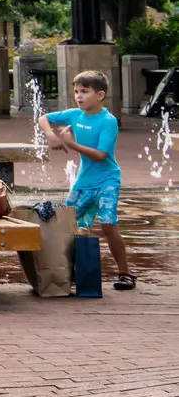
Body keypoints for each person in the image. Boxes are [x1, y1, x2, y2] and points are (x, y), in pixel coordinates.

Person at [45, 70, 135, 291]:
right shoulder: (75, 115)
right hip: (83, 182)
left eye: (85, 91)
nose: (79, 96)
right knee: (69, 225)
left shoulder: (108, 121)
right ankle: (71, 271)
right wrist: (50, 135)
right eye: (76, 91)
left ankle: (125, 273)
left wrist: (70, 143)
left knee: (108, 225)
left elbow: (101, 155)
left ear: (100, 95)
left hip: (107, 181)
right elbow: (43, 118)